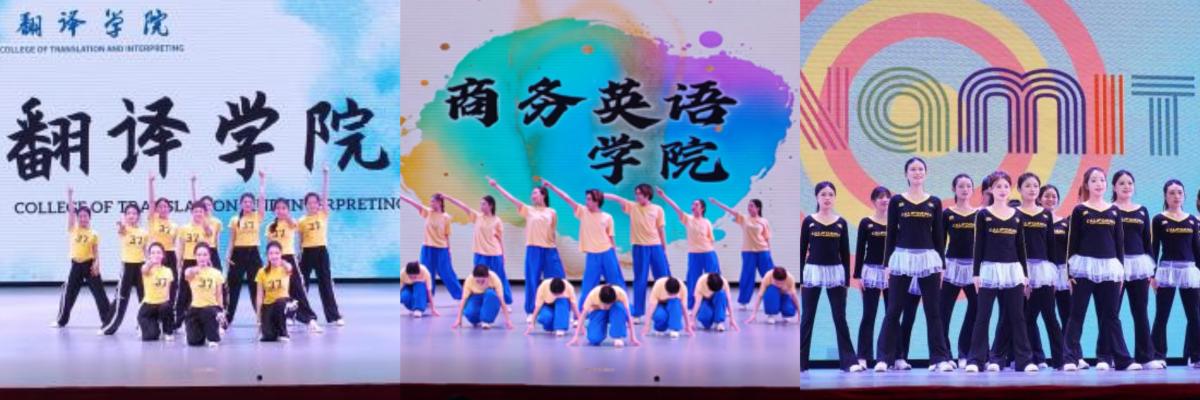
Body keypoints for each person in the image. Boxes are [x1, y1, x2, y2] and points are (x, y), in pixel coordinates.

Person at [875, 157, 954, 372]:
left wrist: (941, 264)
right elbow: (891, 234)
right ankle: (884, 358)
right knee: (893, 310)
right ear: (906, 174)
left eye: (920, 169)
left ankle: (938, 359)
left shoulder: (934, 202)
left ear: (925, 174)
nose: (917, 172)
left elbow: (939, 236)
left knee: (933, 311)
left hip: (929, 259)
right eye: (913, 169)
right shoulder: (897, 201)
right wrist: (887, 264)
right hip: (902, 258)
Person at [1062, 167, 1140, 371]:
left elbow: (1119, 244)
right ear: (1087, 185)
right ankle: (1069, 359)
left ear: (1106, 185)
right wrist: (1069, 274)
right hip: (1084, 268)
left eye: (1102, 180)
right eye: (1094, 180)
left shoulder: (1114, 211)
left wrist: (1121, 272)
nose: (1098, 184)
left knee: (1111, 315)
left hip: (1110, 268)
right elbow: (1072, 242)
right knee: (1077, 314)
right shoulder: (1080, 210)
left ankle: (1122, 359)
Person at [963, 171, 1037, 373]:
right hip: (989, 269)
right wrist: (976, 273)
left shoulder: (1017, 215)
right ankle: (975, 360)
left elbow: (1020, 247)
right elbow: (978, 245)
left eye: (1006, 186)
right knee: (983, 316)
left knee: (1017, 316)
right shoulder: (983, 215)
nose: (1003, 190)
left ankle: (1024, 361)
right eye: (998, 186)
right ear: (991, 190)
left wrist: (1025, 274)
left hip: (1013, 270)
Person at [799, 182, 860, 372]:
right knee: (807, 318)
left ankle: (849, 362)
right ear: (817, 197)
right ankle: (800, 363)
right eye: (823, 194)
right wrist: (801, 278)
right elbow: (802, 251)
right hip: (813, 273)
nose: (827, 198)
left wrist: (847, 282)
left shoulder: (841, 222)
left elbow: (845, 252)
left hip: (836, 273)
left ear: (835, 198)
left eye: (831, 194)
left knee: (840, 318)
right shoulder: (809, 221)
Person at [1098, 170, 1156, 369]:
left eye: (1130, 183)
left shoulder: (1142, 211)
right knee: (1110, 312)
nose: (1126, 186)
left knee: (1140, 312)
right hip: (1115, 266)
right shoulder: (1109, 210)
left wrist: (1151, 271)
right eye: (1121, 183)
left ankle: (1145, 356)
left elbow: (1148, 243)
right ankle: (1105, 356)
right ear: (1114, 187)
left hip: (1139, 265)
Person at [488, 177, 564, 318]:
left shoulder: (552, 212)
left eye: (535, 193)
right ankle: (531, 311)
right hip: (533, 249)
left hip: (549, 249)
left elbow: (552, 232)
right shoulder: (528, 210)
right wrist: (496, 186)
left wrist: (554, 249)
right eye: (532, 194)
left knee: (556, 279)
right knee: (532, 280)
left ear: (543, 195)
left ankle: (559, 309)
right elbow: (511, 198)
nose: (532, 196)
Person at [542, 180, 625, 310]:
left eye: (589, 199)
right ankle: (582, 312)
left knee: (616, 282)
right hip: (592, 255)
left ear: (597, 201)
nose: (586, 202)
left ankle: (623, 310)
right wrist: (552, 187)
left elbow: (611, 237)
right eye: (586, 199)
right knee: (588, 285)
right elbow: (566, 198)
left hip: (607, 252)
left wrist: (614, 256)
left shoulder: (607, 217)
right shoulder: (583, 212)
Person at [1150, 180, 1200, 369]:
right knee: (1162, 315)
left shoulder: (1192, 220)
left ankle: (1196, 356)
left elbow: (1197, 249)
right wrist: (1152, 275)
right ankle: (1158, 355)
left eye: (1179, 192)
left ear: (1184, 195)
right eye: (1171, 193)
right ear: (1165, 196)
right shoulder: (1158, 219)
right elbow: (1154, 248)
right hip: (1167, 271)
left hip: (1189, 271)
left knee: (1194, 316)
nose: (1176, 196)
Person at [604, 184, 670, 324]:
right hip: (639, 248)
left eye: (639, 193)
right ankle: (638, 313)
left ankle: (665, 307)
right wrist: (600, 195)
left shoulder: (658, 209)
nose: (637, 196)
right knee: (640, 279)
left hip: (656, 247)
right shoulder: (633, 207)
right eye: (636, 193)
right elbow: (617, 198)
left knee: (662, 278)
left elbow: (661, 229)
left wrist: (664, 247)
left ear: (647, 195)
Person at [442, 193, 513, 308]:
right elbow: (463, 206)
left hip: (495, 253)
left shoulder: (497, 221)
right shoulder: (477, 217)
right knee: (479, 278)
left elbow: (500, 239)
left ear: (490, 205)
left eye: (484, 204)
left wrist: (503, 255)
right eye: (480, 204)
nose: (481, 206)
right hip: (480, 254)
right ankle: (478, 301)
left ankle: (504, 302)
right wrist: (448, 198)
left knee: (500, 277)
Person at [54, 187, 112, 328]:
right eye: (80, 216)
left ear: (89, 217)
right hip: (76, 265)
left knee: (99, 293)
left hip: (89, 265)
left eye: (85, 216)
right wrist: (70, 195)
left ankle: (107, 320)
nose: (83, 218)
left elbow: (96, 251)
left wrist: (97, 264)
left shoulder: (94, 233)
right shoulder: (73, 229)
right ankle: (61, 320)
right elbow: (71, 213)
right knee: (69, 293)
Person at [658, 187, 720, 309]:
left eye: (696, 204)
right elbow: (676, 208)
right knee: (693, 279)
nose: (693, 206)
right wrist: (664, 196)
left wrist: (710, 253)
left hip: (708, 252)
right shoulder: (688, 219)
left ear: (702, 208)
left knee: (713, 279)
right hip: (694, 254)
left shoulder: (707, 222)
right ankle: (691, 305)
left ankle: (716, 304)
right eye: (693, 204)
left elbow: (711, 239)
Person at [940, 174, 978, 368]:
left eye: (968, 186)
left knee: (977, 309)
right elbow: (939, 242)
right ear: (953, 189)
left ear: (972, 189)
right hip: (951, 267)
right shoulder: (947, 214)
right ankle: (944, 355)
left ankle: (966, 352)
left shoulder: (979, 214)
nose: (964, 189)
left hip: (973, 268)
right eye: (961, 186)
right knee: (943, 312)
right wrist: (940, 267)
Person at [298, 165, 344, 325]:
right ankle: (301, 315)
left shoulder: (323, 215)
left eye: (315, 202)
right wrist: (299, 254)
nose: (312, 205)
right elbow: (300, 240)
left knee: (326, 284)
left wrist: (325, 175)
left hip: (321, 251)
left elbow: (325, 196)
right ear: (305, 205)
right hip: (306, 252)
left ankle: (334, 316)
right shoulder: (301, 221)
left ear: (319, 204)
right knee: (302, 285)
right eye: (309, 203)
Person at [267, 198, 322, 332]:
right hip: (275, 260)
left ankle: (310, 319)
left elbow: (293, 224)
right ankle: (282, 318)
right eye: (278, 208)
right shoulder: (270, 226)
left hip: (289, 258)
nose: (280, 210)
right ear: (274, 210)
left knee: (298, 289)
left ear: (288, 210)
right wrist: (271, 261)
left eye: (283, 208)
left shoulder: (291, 222)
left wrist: (286, 216)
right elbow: (269, 246)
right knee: (279, 290)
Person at [709, 197, 773, 309]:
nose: (749, 208)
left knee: (769, 276)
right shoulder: (744, 218)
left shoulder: (764, 221)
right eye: (748, 206)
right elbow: (729, 210)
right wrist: (717, 203)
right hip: (748, 252)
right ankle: (744, 301)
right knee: (747, 276)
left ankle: (772, 299)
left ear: (758, 208)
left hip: (763, 251)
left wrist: (769, 252)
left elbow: (767, 238)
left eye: (752, 206)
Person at [400, 192, 462, 300]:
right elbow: (413, 203)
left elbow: (446, 235)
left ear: (439, 202)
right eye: (430, 201)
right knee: (426, 272)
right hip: (427, 248)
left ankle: (460, 295)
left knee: (447, 273)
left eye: (433, 201)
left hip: (442, 249)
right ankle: (428, 297)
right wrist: (401, 196)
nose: (431, 203)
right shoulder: (427, 212)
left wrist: (449, 250)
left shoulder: (446, 217)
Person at [854, 186, 890, 369]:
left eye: (887, 197)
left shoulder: (896, 223)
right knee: (869, 315)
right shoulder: (866, 223)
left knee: (892, 316)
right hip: (870, 272)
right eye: (880, 197)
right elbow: (860, 249)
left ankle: (893, 357)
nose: (884, 200)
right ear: (874, 201)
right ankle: (863, 356)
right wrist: (858, 275)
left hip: (891, 274)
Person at [101, 203, 150, 335]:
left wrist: (149, 264)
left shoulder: (144, 232)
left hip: (141, 267)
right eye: (128, 213)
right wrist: (122, 223)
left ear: (138, 216)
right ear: (125, 216)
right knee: (121, 298)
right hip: (127, 267)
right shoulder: (124, 229)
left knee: (144, 298)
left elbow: (145, 250)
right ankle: (108, 327)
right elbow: (121, 229)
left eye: (134, 213)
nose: (131, 216)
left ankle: (143, 327)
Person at [225, 171, 267, 324]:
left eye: (250, 202)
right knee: (233, 287)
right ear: (241, 204)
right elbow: (232, 240)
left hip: (253, 253)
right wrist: (228, 255)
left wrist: (262, 181)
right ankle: (227, 318)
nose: (248, 204)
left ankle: (261, 317)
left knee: (256, 286)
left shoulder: (257, 216)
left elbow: (262, 200)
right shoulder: (235, 219)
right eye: (245, 202)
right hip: (238, 254)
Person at [175, 203, 217, 331]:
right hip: (188, 261)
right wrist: (179, 261)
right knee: (183, 293)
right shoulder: (184, 228)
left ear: (205, 213)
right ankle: (178, 322)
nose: (198, 213)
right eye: (196, 211)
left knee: (202, 291)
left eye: (201, 211)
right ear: (191, 212)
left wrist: (209, 262)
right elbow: (181, 245)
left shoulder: (208, 227)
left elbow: (209, 240)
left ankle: (207, 320)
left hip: (202, 261)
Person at [568, 284, 640, 347]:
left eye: (609, 304)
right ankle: (594, 327)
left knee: (619, 307)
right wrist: (576, 336)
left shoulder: (621, 293)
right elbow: (582, 315)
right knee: (594, 339)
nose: (607, 306)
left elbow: (629, 315)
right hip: (598, 311)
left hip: (615, 311)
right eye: (605, 304)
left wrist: (633, 337)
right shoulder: (592, 295)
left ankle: (617, 336)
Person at [184, 243, 225, 347]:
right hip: (195, 308)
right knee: (193, 342)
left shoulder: (216, 273)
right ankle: (202, 330)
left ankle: (212, 333)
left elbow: (219, 294)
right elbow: (187, 274)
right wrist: (197, 269)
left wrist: (221, 311)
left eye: (205, 254)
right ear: (195, 256)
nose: (202, 257)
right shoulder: (190, 270)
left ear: (209, 256)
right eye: (199, 255)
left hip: (211, 308)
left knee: (208, 312)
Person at [451, 265, 514, 330]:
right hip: (475, 297)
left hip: (489, 297)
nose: (480, 283)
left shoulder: (495, 279)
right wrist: (459, 319)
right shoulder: (469, 280)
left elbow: (502, 301)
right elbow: (463, 300)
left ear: (488, 277)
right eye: (478, 281)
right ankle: (476, 318)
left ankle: (486, 320)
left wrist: (508, 320)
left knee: (491, 294)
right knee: (470, 313)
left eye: (483, 281)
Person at [256, 241, 294, 342]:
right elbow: (259, 296)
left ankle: (283, 332)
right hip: (268, 305)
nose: (274, 256)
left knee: (280, 303)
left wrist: (281, 261)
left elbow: (290, 267)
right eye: (271, 253)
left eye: (277, 253)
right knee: (268, 337)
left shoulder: (285, 268)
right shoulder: (261, 272)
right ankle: (274, 330)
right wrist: (259, 319)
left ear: (281, 254)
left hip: (283, 303)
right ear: (267, 255)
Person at [136, 243, 175, 341]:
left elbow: (168, 292)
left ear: (163, 255)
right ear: (149, 255)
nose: (156, 255)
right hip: (148, 306)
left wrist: (167, 308)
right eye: (153, 253)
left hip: (162, 305)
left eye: (158, 252)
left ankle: (166, 330)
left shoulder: (168, 271)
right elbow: (144, 270)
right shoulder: (146, 268)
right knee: (150, 336)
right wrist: (151, 262)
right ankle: (146, 326)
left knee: (166, 306)